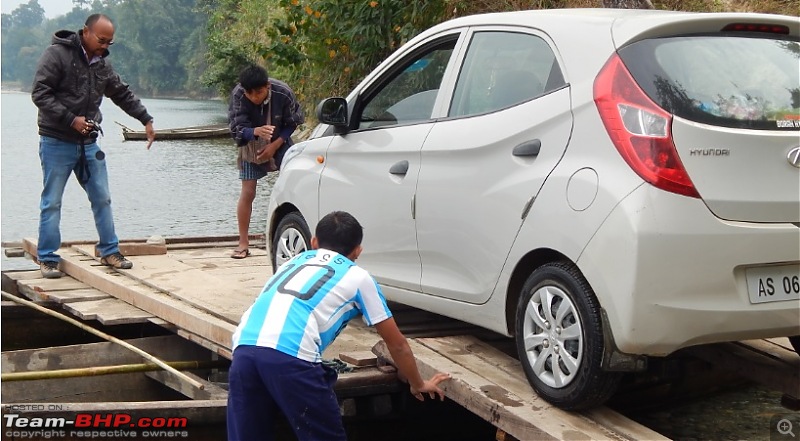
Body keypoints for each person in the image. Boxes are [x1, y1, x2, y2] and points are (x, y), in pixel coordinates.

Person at [227, 211, 450, 441]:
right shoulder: (358, 277)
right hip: (293, 357)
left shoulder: (292, 262)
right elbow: (397, 343)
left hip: (244, 349)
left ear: (314, 242)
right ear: (357, 251)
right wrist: (417, 383)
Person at [31, 13, 155, 279]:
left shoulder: (102, 64)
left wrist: (145, 118)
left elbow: (120, 93)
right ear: (86, 32)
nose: (105, 46)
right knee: (51, 202)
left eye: (110, 42)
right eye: (101, 40)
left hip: (88, 142)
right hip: (56, 140)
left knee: (102, 198)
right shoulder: (57, 55)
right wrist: (71, 120)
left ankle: (110, 250)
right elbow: (40, 93)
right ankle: (48, 258)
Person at [228, 64, 304, 259]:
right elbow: (236, 128)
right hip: (250, 144)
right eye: (250, 94)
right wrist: (255, 131)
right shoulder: (238, 94)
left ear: (268, 86)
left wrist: (274, 145)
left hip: (279, 140)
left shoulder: (283, 92)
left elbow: (293, 121)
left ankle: (294, 235)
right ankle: (243, 243)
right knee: (248, 191)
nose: (255, 97)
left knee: (292, 186)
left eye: (259, 92)